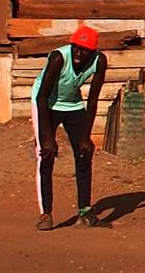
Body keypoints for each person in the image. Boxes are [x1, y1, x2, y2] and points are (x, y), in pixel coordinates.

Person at [32, 24, 107, 231]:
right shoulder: (58, 58)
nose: (78, 53)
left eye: (84, 50)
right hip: (45, 104)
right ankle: (46, 213)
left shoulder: (99, 61)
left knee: (84, 152)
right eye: (75, 47)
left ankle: (85, 212)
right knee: (46, 154)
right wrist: (48, 137)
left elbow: (92, 100)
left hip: (73, 104)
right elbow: (41, 97)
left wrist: (86, 136)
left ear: (92, 51)